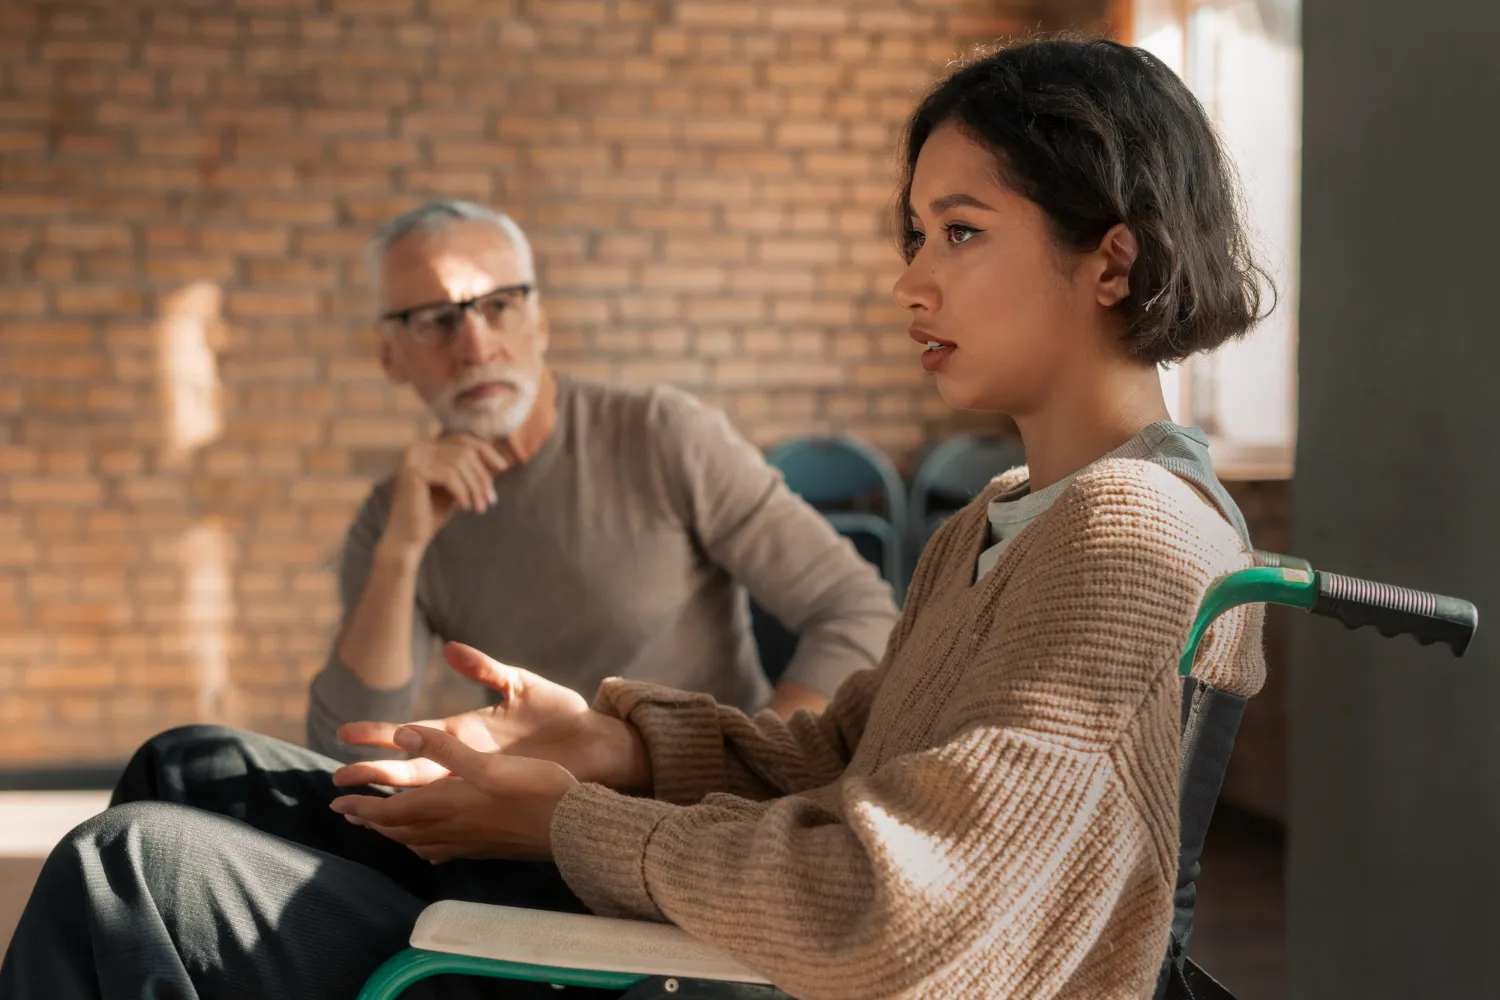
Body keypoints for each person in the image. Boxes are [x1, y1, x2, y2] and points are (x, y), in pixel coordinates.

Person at [2, 37, 1269, 1000]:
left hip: (748, 957)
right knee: (188, 765)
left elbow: (902, 910)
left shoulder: (1128, 537)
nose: (911, 278)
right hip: (716, 877)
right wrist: (617, 749)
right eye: (914, 232)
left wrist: (560, 815)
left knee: (129, 874)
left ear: (1113, 260)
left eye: (961, 231)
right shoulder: (999, 519)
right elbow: (841, 763)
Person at [307, 199, 900, 761]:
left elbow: (859, 613)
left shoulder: (661, 434)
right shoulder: (394, 518)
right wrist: (401, 552)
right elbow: (352, 747)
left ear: (539, 320)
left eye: (499, 304)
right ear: (389, 356)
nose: (475, 346)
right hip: (540, 832)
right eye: (434, 320)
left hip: (709, 813)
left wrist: (756, 766)